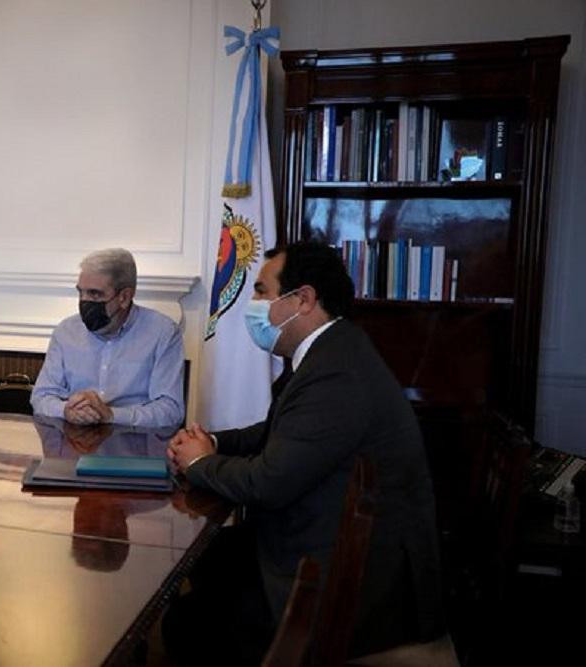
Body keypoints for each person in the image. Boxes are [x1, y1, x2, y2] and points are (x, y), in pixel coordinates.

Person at [165, 241, 444, 661]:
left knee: (189, 621)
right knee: (208, 560)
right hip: (323, 538)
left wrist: (201, 462)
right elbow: (278, 432)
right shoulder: (333, 350)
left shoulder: (335, 374)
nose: (254, 304)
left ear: (304, 299)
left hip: (349, 582)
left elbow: (268, 483)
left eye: (261, 291)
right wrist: (215, 442)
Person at [30, 248, 185, 429]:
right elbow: (41, 397)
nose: (85, 301)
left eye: (95, 294)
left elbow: (171, 411)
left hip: (133, 445)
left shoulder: (163, 333)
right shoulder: (66, 332)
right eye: (81, 292)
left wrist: (111, 415)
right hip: (75, 443)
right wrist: (66, 410)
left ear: (124, 297)